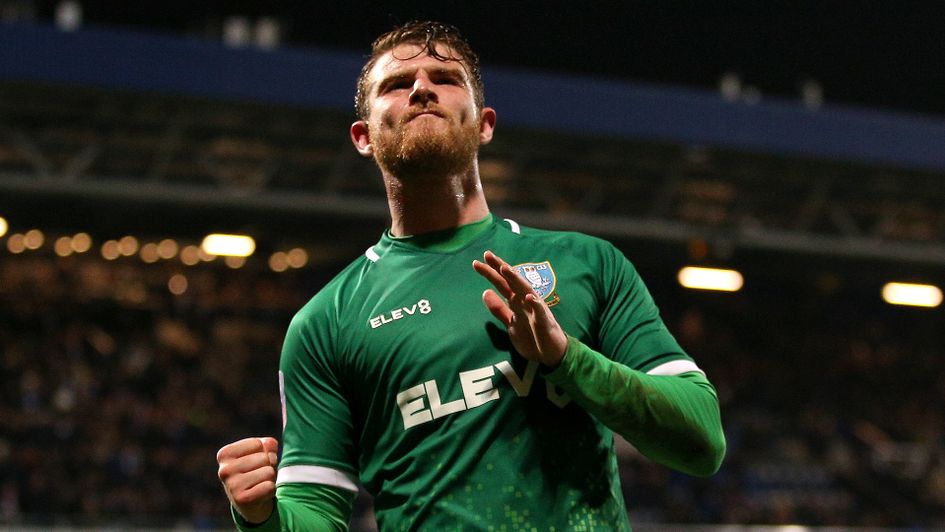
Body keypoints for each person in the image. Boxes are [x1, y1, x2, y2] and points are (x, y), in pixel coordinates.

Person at [216, 20, 725, 530]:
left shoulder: (588, 264)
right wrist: (263, 518)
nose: (420, 89)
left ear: (484, 124)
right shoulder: (325, 322)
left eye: (445, 78)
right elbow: (315, 510)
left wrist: (566, 358)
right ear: (364, 137)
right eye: (397, 84)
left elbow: (702, 440)